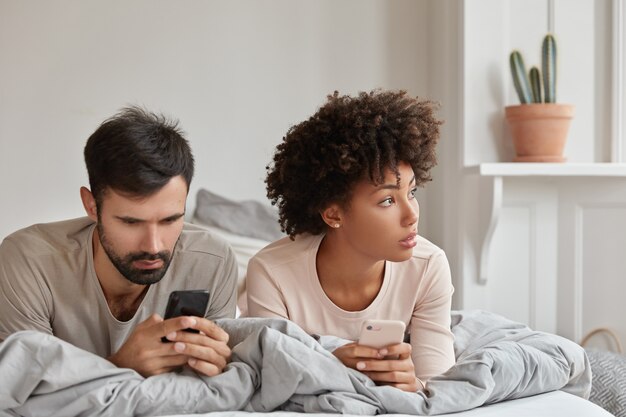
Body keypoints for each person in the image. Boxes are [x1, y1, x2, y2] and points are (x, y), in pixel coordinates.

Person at [0, 107, 238, 378]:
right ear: (91, 206)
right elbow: (24, 390)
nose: (153, 245)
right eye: (131, 222)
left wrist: (216, 366)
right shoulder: (28, 261)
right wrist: (120, 367)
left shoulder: (214, 261)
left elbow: (215, 384)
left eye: (170, 220)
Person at [246, 90, 455, 392]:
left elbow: (441, 389)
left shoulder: (429, 265)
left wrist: (413, 383)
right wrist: (330, 361)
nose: (412, 215)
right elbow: (269, 379)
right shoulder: (271, 272)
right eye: (387, 200)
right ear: (333, 214)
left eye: (411, 192)